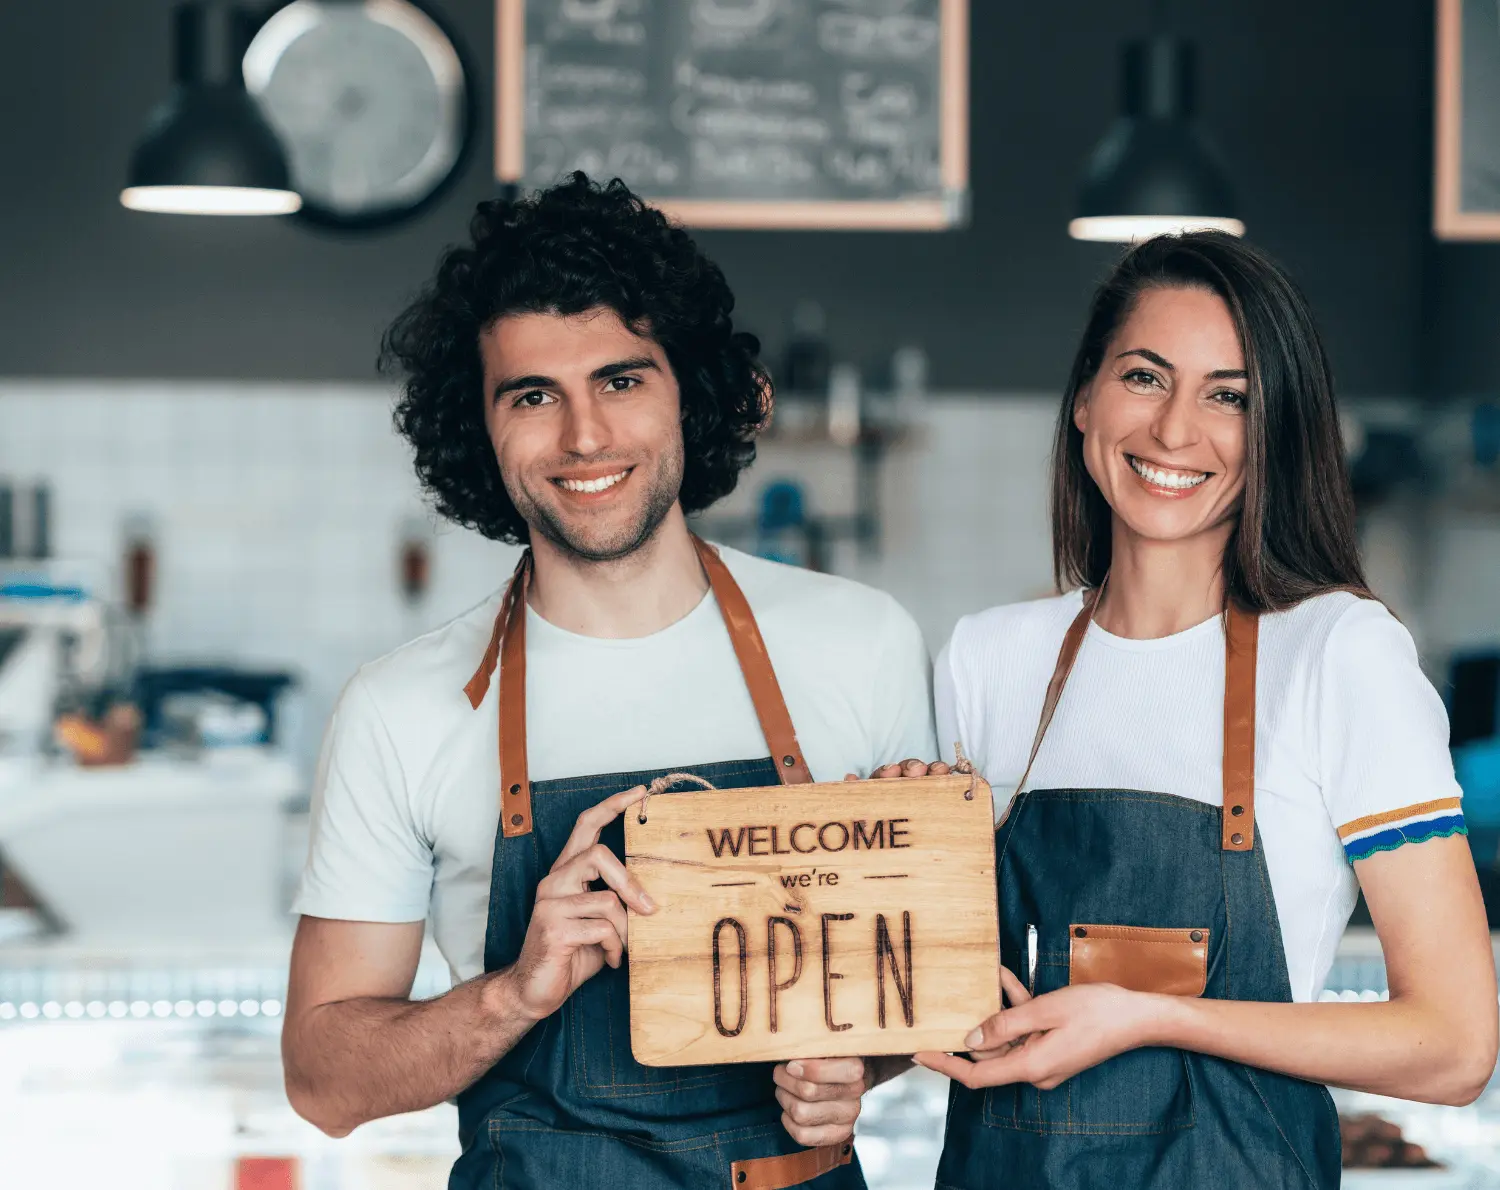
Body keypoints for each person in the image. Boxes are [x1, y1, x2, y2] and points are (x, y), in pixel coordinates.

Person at [279, 173, 937, 1189]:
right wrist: (517, 991)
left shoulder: (862, 645)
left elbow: (926, 986)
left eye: (623, 380)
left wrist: (857, 1064)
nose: (585, 437)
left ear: (691, 391)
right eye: (534, 395)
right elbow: (324, 1081)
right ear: (479, 427)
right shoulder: (403, 707)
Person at [914, 232, 1498, 1188]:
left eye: (1228, 395)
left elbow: (1456, 1045)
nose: (1176, 429)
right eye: (1144, 377)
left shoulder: (1339, 654)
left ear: (1275, 430)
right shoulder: (987, 658)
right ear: (1084, 399)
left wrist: (1153, 1016)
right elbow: (940, 990)